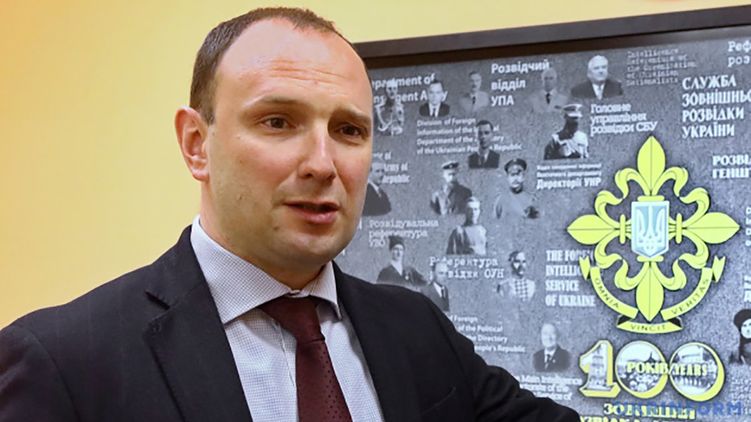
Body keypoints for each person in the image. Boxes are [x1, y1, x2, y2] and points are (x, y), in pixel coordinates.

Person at [0, 7, 579, 422]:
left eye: (348, 130)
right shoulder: (62, 363)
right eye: (278, 122)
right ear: (197, 145)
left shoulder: (416, 329)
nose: (323, 163)